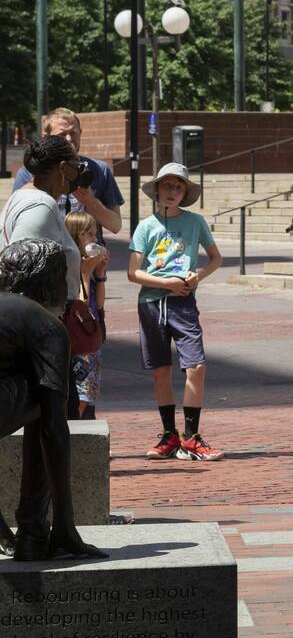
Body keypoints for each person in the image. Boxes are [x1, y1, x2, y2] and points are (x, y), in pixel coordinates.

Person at [0, 238, 106, 561]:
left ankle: (32, 534)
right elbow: (55, 430)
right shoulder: (46, 326)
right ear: (51, 282)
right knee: (47, 400)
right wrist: (66, 521)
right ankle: (36, 530)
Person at [128, 163, 224, 462]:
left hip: (183, 303)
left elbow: (215, 258)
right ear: (157, 189)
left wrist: (198, 275)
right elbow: (133, 273)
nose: (172, 191)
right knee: (161, 371)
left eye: (178, 187)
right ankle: (170, 435)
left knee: (196, 366)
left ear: (185, 193)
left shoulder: (196, 222)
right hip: (152, 303)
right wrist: (164, 283)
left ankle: (192, 437)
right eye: (167, 185)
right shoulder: (146, 226)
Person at [12, 108, 124, 238]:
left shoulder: (99, 169)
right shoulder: (29, 172)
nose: (69, 139)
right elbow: (19, 221)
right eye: (62, 134)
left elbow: (115, 225)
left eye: (73, 133)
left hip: (89, 255)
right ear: (46, 137)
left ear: (80, 133)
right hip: (49, 253)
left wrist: (90, 201)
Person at [0, 136, 83, 305]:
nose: (80, 173)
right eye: (78, 167)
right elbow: (23, 274)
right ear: (63, 168)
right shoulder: (41, 206)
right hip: (39, 321)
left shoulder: (23, 196)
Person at [64, 212, 108, 419]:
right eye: (88, 234)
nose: (94, 240)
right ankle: (74, 429)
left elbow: (98, 305)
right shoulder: (71, 266)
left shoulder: (87, 266)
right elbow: (79, 307)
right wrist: (85, 273)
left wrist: (100, 274)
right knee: (80, 393)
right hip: (79, 339)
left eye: (95, 234)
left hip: (91, 336)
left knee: (89, 392)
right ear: (74, 237)